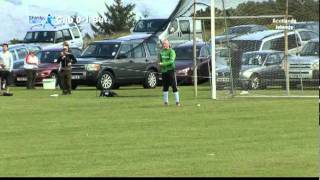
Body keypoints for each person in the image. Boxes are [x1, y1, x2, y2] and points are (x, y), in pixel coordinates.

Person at [159, 39, 181, 106]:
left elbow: (171, 61)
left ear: (168, 44)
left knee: (174, 86)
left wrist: (163, 64)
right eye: (163, 44)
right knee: (165, 87)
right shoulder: (161, 52)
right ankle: (166, 102)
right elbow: (160, 61)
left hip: (171, 71)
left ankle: (177, 102)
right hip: (164, 71)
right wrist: (161, 67)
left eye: (165, 43)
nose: (164, 45)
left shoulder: (172, 51)